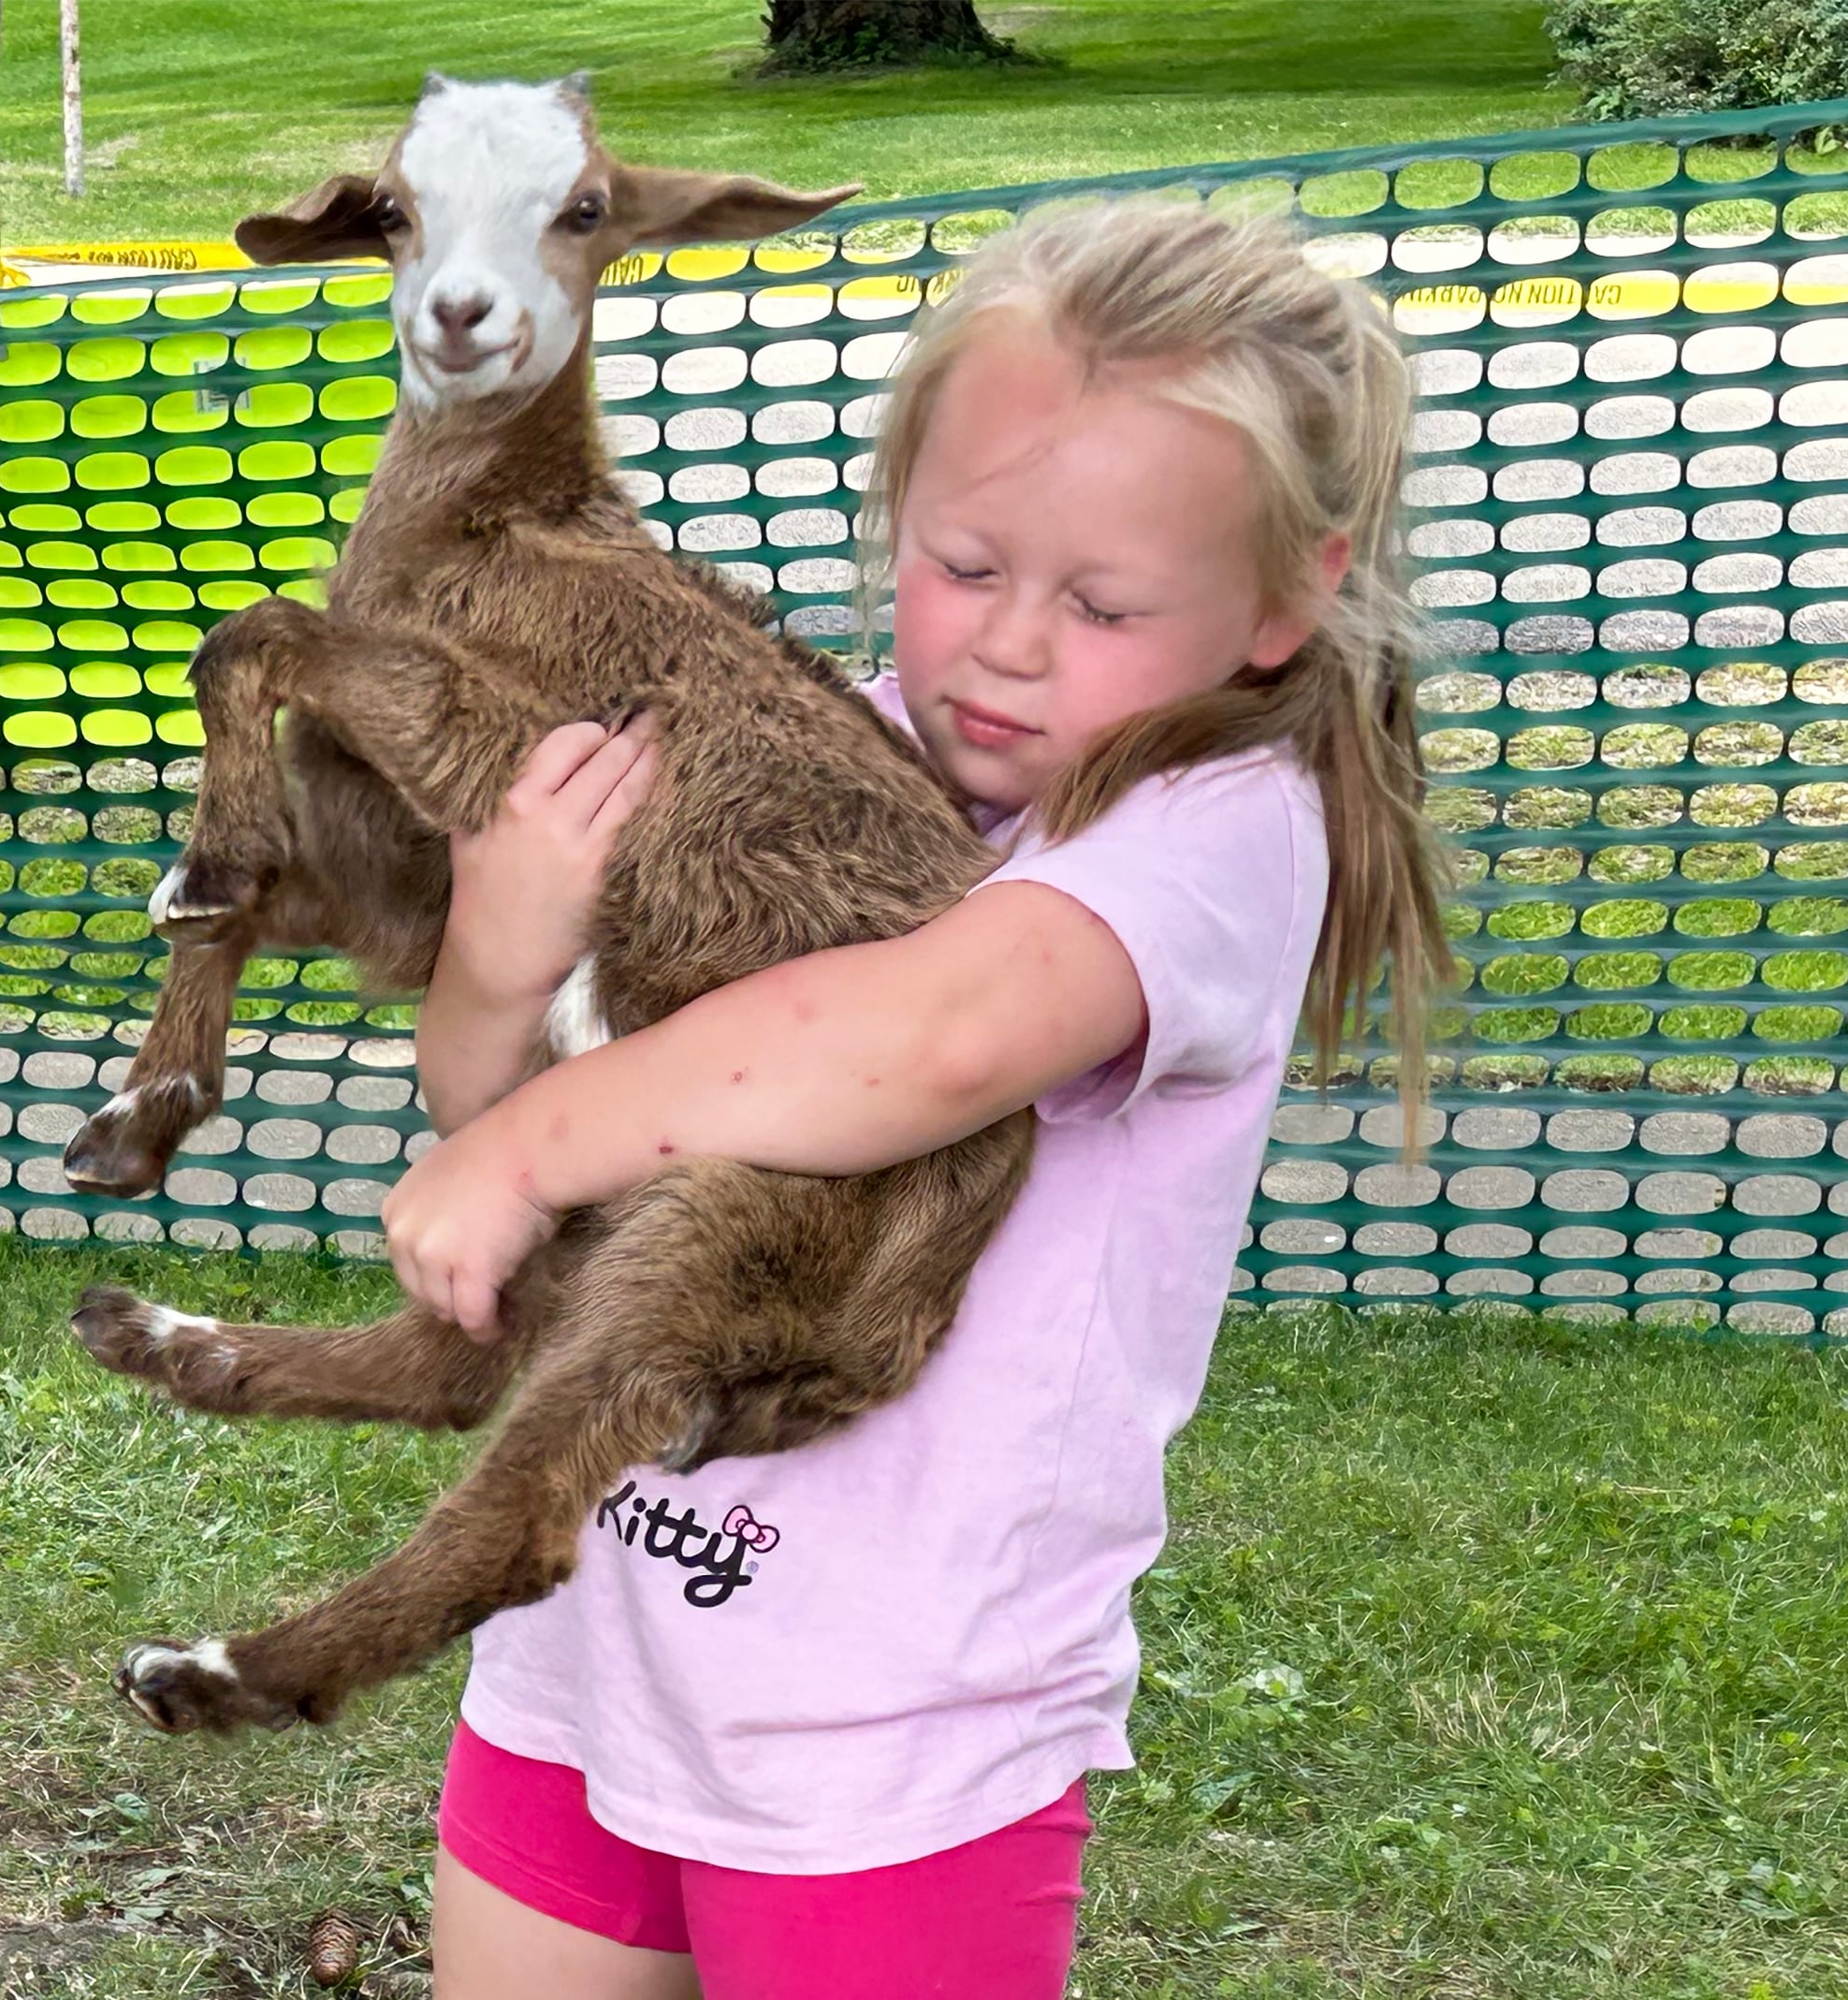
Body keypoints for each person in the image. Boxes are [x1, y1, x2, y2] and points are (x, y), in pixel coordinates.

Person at [378, 193, 1450, 2000]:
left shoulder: (1209, 835)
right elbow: (502, 1106)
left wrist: (526, 1141)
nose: (1009, 644)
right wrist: (497, 959)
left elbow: (921, 1040)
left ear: (1289, 598)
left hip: (895, 1738)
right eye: (963, 562)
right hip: (592, 1634)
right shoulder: (825, 754)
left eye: (1103, 601)